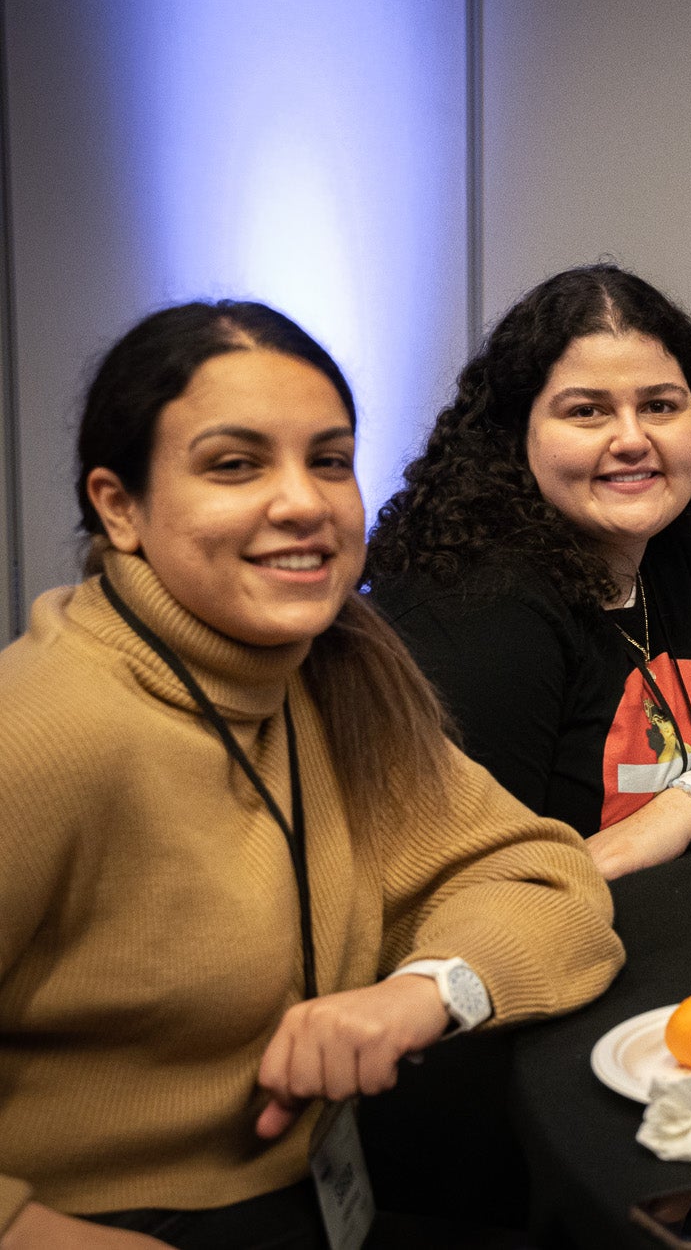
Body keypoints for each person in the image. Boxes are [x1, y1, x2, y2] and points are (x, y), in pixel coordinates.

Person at [0, 302, 622, 1247]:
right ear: (119, 508)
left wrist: (421, 993)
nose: (303, 502)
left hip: (305, 1199)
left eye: (329, 460)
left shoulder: (326, 672)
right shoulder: (45, 724)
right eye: (234, 464)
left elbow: (546, 882)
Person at [368, 265, 691, 880]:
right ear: (514, 435)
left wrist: (683, 811)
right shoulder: (471, 608)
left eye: (659, 405)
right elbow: (477, 884)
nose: (632, 439)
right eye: (587, 411)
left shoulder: (681, 547)